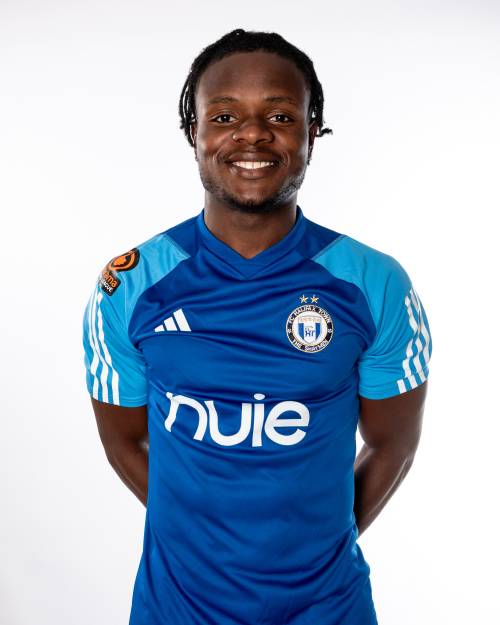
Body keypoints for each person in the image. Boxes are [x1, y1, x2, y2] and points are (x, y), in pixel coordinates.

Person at [82, 28, 432, 625]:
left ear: (312, 132)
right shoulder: (130, 286)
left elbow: (391, 445)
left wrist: (312, 547)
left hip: (330, 609)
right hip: (176, 610)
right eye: (224, 116)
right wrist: (205, 543)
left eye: (280, 115)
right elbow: (124, 442)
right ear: (193, 132)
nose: (252, 134)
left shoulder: (374, 284)